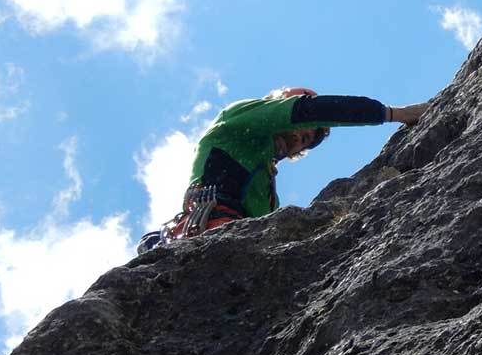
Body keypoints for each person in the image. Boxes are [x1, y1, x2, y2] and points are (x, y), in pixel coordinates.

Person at [137, 87, 428, 254]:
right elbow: (309, 111)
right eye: (303, 127)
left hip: (234, 241)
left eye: (308, 139)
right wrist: (395, 114)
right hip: (207, 226)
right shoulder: (237, 122)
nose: (301, 136)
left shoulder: (268, 192)